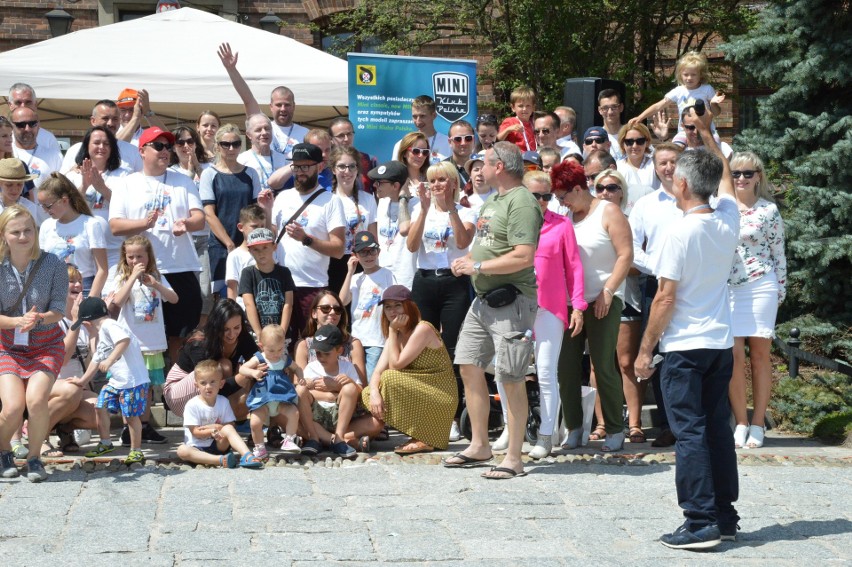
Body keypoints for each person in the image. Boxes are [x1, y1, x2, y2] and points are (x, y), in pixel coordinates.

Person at [634, 107, 740, 550]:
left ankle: (700, 522)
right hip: (719, 344)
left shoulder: (680, 232)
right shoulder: (728, 219)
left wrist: (645, 350)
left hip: (684, 347)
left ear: (681, 183)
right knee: (716, 428)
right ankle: (725, 514)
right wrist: (710, 137)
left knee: (691, 432)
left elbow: (664, 297)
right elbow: (729, 182)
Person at [445, 141, 542, 479]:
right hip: (483, 301)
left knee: (511, 378)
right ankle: (480, 445)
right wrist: (467, 262)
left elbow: (523, 256)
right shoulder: (493, 202)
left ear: (499, 166)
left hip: (512, 300)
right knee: (468, 365)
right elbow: (484, 247)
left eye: (484, 163)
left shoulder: (522, 201)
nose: (479, 169)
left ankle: (514, 458)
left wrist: (479, 268)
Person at [552, 159, 633, 453]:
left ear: (577, 188)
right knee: (566, 367)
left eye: (564, 196)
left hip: (603, 299)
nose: (561, 202)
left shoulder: (608, 211)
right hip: (571, 302)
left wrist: (608, 292)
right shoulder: (565, 217)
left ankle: (614, 427)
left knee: (602, 364)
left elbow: (625, 255)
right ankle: (574, 427)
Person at [109, 126, 206, 363]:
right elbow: (115, 226)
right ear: (142, 151)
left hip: (178, 266)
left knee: (180, 334)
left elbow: (200, 218)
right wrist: (144, 223)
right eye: (158, 146)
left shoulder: (183, 181)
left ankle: (172, 388)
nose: (165, 151)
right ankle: (146, 390)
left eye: (167, 146)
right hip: (141, 270)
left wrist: (186, 223)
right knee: (142, 334)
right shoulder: (127, 183)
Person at [0, 205, 68, 482]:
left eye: (28, 230)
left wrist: (38, 319)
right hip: (7, 346)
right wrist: (17, 323)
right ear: (4, 235)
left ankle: (34, 458)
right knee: (13, 407)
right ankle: (4, 451)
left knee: (37, 400)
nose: (23, 236)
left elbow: (60, 310)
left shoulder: (53, 263)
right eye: (16, 231)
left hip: (46, 344)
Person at [522, 170, 586, 459]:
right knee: (507, 372)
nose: (541, 201)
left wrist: (578, 306)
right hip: (516, 306)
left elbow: (574, 267)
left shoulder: (561, 225)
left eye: (546, 196)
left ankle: (546, 435)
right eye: (534, 195)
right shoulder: (512, 224)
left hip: (550, 306)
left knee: (546, 372)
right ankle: (512, 431)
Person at [727, 152, 786, 449]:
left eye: (747, 173)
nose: (741, 178)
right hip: (729, 289)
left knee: (760, 357)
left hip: (762, 284)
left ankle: (759, 422)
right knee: (734, 357)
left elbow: (779, 253)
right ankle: (740, 420)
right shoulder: (723, 208)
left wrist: (780, 289)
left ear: (758, 176)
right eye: (736, 173)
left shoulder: (769, 210)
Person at [627, 142, 685, 447]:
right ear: (655, 167)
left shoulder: (700, 201)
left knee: (691, 350)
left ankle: (697, 420)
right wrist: (660, 268)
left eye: (673, 161)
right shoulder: (646, 205)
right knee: (659, 354)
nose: (668, 168)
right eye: (662, 162)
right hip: (657, 285)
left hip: (694, 287)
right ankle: (667, 423)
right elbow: (633, 248)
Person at [360, 285, 458, 454]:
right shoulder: (396, 335)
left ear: (409, 306)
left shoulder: (423, 328)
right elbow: (377, 372)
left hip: (440, 394)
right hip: (420, 391)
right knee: (368, 392)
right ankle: (368, 432)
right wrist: (375, 393)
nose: (392, 311)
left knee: (390, 378)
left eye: (398, 305)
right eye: (388, 307)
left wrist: (391, 330)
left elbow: (396, 365)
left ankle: (425, 437)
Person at [592, 168, 648, 444]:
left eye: (612, 188)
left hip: (627, 297)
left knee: (626, 363)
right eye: (600, 188)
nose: (606, 193)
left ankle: (635, 422)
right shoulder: (588, 219)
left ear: (622, 192)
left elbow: (640, 263)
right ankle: (602, 422)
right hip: (596, 297)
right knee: (597, 365)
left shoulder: (632, 221)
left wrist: (621, 266)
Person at [268, 143, 345, 341]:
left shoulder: (331, 201)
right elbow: (273, 236)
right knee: (278, 344)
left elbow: (338, 249)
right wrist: (266, 211)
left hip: (312, 286)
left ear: (319, 167)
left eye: (305, 167)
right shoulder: (283, 197)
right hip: (279, 284)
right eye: (296, 166)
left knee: (308, 344)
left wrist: (306, 239)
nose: (300, 172)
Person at [109, 235, 177, 444]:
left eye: (140, 256)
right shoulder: (119, 276)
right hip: (130, 343)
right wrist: (131, 278)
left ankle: (145, 426)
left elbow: (174, 299)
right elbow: (116, 303)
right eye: (131, 256)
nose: (135, 260)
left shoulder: (156, 275)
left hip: (152, 342)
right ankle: (127, 427)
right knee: (129, 386)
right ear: (125, 257)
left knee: (146, 387)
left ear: (148, 256)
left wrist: (156, 284)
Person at [74, 297, 149, 466]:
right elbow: (96, 360)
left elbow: (124, 341)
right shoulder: (101, 333)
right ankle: (106, 442)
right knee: (100, 406)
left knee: (130, 416)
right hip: (118, 381)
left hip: (133, 381)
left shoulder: (110, 325)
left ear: (88, 320)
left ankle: (136, 451)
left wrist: (110, 361)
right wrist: (81, 381)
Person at [293, 291, 367, 454]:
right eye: (325, 308)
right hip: (316, 409)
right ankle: (340, 441)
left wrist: (336, 388)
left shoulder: (353, 344)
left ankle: (324, 439)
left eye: (337, 309)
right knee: (285, 413)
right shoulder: (304, 346)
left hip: (344, 409)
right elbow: (299, 387)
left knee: (377, 422)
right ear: (314, 313)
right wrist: (328, 394)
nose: (332, 312)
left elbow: (361, 390)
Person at [163, 299, 257, 419]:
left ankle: (231, 422)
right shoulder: (200, 343)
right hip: (178, 394)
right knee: (224, 366)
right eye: (226, 329)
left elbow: (258, 360)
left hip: (215, 388)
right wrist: (244, 376)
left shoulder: (243, 337)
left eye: (236, 327)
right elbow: (209, 384)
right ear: (216, 325)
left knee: (253, 367)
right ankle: (221, 422)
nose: (232, 334)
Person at [200, 123, 263, 296]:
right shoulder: (210, 174)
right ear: (217, 146)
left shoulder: (251, 173)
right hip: (220, 246)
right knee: (222, 299)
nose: (231, 148)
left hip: (248, 243)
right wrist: (229, 244)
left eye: (235, 143)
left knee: (250, 293)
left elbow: (256, 212)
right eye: (225, 144)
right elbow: (209, 214)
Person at [218, 43, 308, 159]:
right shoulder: (263, 126)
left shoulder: (306, 134)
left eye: (287, 105)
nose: (283, 109)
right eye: (278, 105)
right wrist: (231, 69)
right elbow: (248, 99)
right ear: (271, 106)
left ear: (294, 106)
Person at [64, 126, 131, 273]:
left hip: (114, 250)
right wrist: (84, 185)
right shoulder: (72, 175)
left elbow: (129, 209)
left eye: (106, 144)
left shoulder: (125, 175)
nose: (102, 147)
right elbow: (67, 210)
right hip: (81, 250)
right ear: (87, 146)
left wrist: (103, 189)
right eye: (97, 143)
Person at [176, 359, 263, 469]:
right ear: (196, 385)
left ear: (221, 383)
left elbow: (231, 425)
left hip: (219, 444)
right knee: (182, 451)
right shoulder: (192, 404)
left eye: (213, 382)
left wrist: (217, 427)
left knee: (228, 429)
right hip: (197, 447)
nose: (208, 386)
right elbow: (195, 432)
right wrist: (211, 431)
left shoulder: (223, 401)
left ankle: (247, 455)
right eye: (203, 383)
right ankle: (220, 460)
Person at [51, 264, 99, 455]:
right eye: (71, 281)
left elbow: (94, 361)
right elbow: (61, 359)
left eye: (79, 280)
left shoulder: (82, 320)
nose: (78, 284)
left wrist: (94, 330)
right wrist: (76, 323)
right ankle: (40, 437)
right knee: (71, 390)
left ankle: (65, 430)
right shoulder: (53, 320)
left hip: (76, 389)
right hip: (52, 387)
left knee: (103, 410)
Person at [37, 173, 109, 298]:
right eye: (42, 206)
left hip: (84, 288)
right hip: (54, 289)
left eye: (48, 206)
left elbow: (102, 270)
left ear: (64, 200)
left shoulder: (90, 224)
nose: (45, 210)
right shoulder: (46, 226)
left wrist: (90, 299)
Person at [629, 51, 725, 144]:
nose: (689, 78)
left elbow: (716, 113)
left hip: (706, 130)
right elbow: (658, 106)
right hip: (685, 132)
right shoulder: (679, 91)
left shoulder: (707, 89)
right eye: (686, 74)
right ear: (680, 75)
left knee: (716, 147)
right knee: (675, 149)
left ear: (701, 75)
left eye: (693, 74)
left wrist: (713, 104)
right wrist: (640, 117)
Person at [299, 324, 364, 458]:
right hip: (316, 417)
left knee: (350, 388)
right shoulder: (311, 367)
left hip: (340, 416)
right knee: (299, 391)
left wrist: (338, 386)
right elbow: (302, 393)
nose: (321, 357)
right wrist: (328, 394)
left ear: (339, 350)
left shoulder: (347, 367)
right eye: (317, 353)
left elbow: (359, 392)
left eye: (326, 353)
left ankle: (338, 438)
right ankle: (315, 439)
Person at [340, 231, 397, 381]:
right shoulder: (356, 278)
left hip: (378, 339)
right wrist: (349, 272)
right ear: (355, 255)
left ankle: (370, 405)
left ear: (378, 251)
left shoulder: (387, 275)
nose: (369, 256)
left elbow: (396, 303)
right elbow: (341, 302)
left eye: (372, 251)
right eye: (363, 252)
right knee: (357, 379)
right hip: (356, 339)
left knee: (373, 379)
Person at [239, 324, 302, 459]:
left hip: (281, 396)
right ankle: (260, 447)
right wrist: (253, 372)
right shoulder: (259, 358)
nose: (276, 354)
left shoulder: (284, 359)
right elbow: (242, 369)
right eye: (272, 350)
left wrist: (300, 377)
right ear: (261, 346)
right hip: (263, 398)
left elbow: (297, 368)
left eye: (280, 349)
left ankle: (289, 440)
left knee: (294, 412)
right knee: (255, 422)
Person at [328, 145, 378, 295]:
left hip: (362, 260)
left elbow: (373, 236)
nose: (347, 171)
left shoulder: (368, 199)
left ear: (357, 169)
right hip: (333, 264)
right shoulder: (326, 199)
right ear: (333, 169)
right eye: (342, 166)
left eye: (351, 166)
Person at [239, 227, 296, 340]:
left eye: (265, 247)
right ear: (250, 250)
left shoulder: (284, 272)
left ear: (274, 247)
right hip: (255, 335)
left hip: (281, 334)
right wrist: (259, 334)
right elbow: (249, 304)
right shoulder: (247, 273)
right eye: (256, 249)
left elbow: (288, 304)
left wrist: (282, 332)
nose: (261, 253)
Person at [60, 100, 143, 174]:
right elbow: (61, 182)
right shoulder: (75, 150)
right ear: (93, 121)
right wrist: (72, 172)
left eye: (115, 119)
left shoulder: (132, 151)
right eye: (105, 118)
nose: (110, 123)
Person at [371, 160, 418, 289]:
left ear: (396, 186)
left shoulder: (417, 205)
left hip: (407, 278)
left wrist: (403, 199)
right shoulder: (381, 203)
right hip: (383, 276)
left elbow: (405, 229)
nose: (375, 185)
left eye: (380, 182)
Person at [225, 204, 283, 306]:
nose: (259, 230)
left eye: (262, 226)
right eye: (254, 226)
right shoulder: (234, 256)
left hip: (270, 308)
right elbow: (232, 289)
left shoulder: (271, 251)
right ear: (241, 227)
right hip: (244, 310)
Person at [11, 106, 63, 195]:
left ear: (38, 125)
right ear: (12, 126)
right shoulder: (5, 153)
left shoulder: (54, 156)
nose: (27, 129)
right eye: (21, 125)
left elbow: (63, 190)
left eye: (32, 124)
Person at [237, 114, 291, 194]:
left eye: (267, 128)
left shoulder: (283, 159)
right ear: (249, 134)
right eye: (258, 130)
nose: (264, 132)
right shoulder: (241, 160)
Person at [390, 95, 450, 163]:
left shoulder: (448, 143)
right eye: (414, 117)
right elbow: (396, 171)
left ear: (434, 116)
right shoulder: (402, 144)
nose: (418, 121)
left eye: (422, 116)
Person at [328, 116, 376, 193]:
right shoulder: (324, 163)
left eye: (349, 134)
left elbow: (378, 193)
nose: (346, 139)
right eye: (341, 136)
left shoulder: (369, 160)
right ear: (331, 139)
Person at [616, 123, 660, 189]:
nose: (634, 146)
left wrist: (664, 138)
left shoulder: (655, 165)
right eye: (629, 142)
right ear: (622, 143)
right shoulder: (617, 167)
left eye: (640, 141)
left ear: (647, 142)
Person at [498, 86, 536, 153]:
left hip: (532, 159)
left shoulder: (534, 123)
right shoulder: (510, 121)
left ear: (533, 107)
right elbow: (497, 139)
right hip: (516, 159)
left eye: (528, 106)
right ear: (513, 108)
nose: (524, 109)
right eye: (520, 106)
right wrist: (508, 130)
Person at [596, 89, 626, 161]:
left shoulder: (632, 134)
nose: (610, 112)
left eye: (614, 107)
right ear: (600, 110)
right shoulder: (594, 139)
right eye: (605, 108)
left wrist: (659, 137)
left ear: (621, 107)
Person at [445, 120, 476, 186]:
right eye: (458, 139)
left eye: (468, 138)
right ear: (450, 142)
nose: (463, 143)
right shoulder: (441, 169)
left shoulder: (483, 167)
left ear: (474, 140)